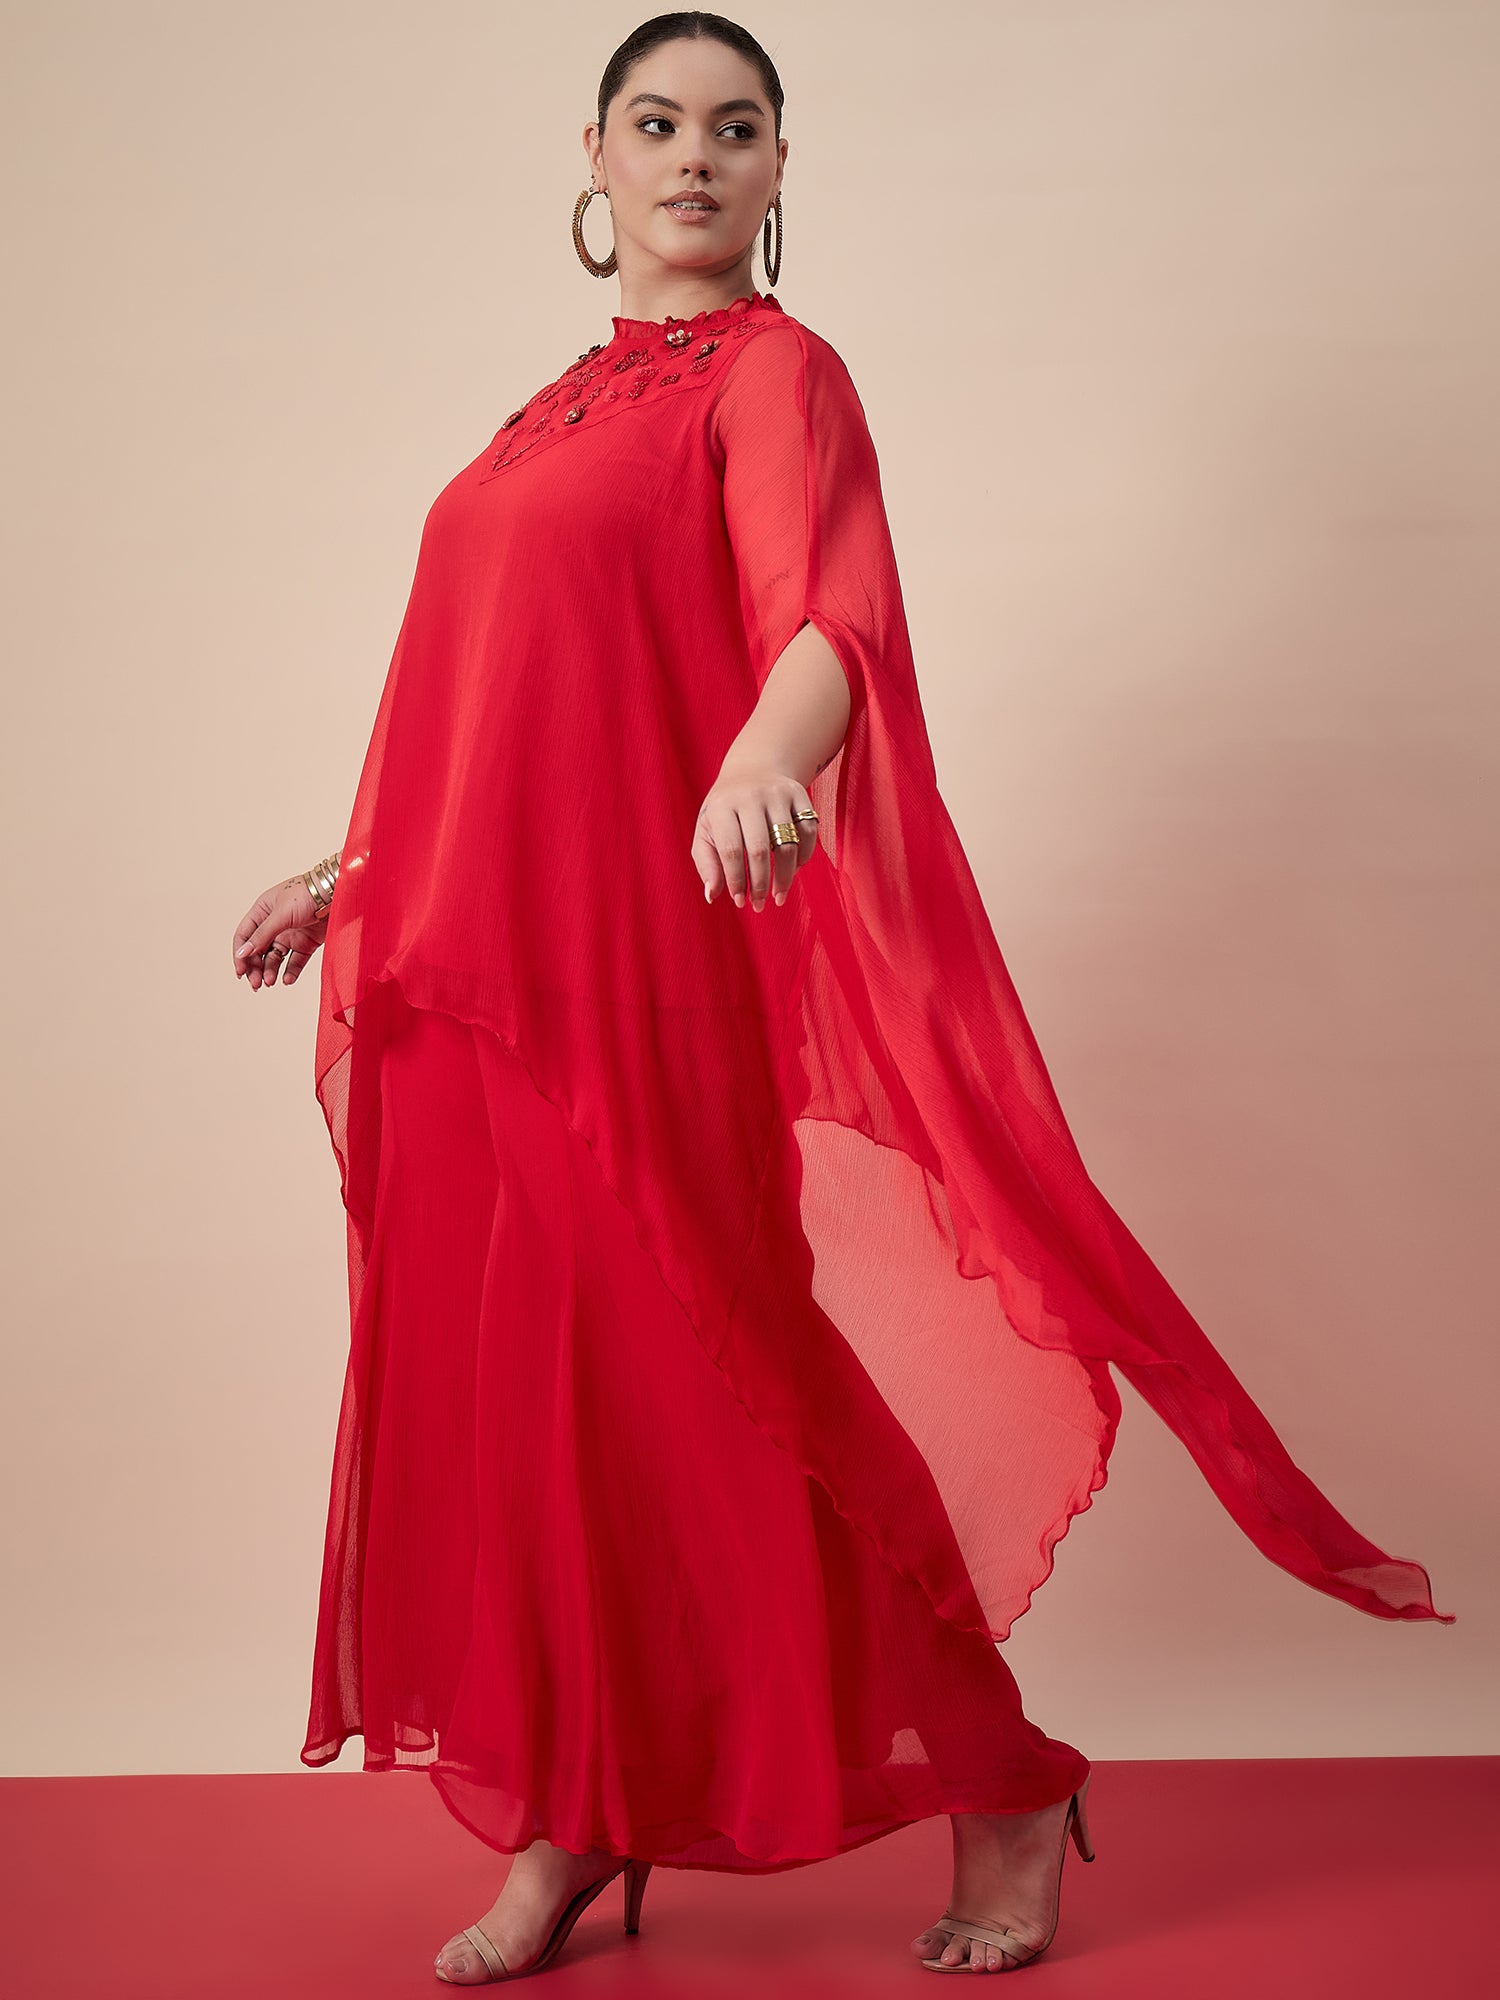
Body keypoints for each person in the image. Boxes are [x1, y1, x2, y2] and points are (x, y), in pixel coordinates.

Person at [231, 11, 1453, 1984]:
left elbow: (830, 617)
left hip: (653, 969)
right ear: (593, 158)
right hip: (503, 985)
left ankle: (1001, 1778)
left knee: (736, 1380)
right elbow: (501, 712)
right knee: (557, 1408)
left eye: (737, 128)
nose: (693, 156)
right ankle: (578, 1807)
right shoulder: (551, 411)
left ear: (781, 171)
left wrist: (762, 757)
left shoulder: (778, 376)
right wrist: (349, 872)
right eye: (656, 123)